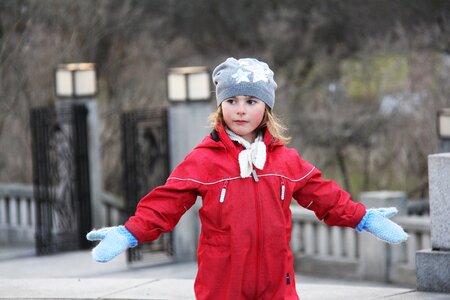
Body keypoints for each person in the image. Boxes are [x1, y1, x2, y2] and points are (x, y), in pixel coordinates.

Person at [87, 57, 408, 300]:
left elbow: (325, 196)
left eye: (250, 101)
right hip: (223, 281)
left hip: (276, 280)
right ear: (220, 106)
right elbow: (166, 203)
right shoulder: (203, 160)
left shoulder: (284, 160)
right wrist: (129, 232)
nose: (240, 110)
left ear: (266, 108)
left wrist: (362, 217)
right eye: (232, 101)